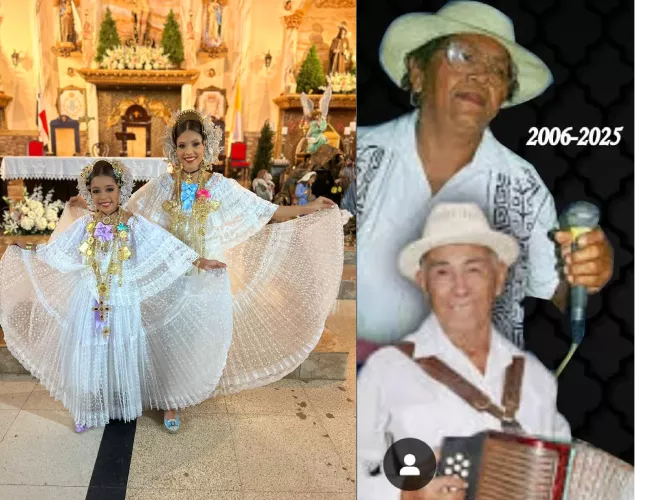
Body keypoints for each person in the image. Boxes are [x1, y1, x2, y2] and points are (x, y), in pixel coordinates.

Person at [356, 1, 614, 357]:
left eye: (499, 70)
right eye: (464, 55)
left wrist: (586, 274)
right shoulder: (359, 153)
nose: (482, 76)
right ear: (417, 71)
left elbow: (559, 292)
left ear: (503, 96)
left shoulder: (524, 186)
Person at [70, 110, 344, 432]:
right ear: (174, 148)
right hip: (172, 272)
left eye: (195, 143)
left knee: (197, 339)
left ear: (206, 145)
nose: (189, 151)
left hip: (208, 274)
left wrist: (307, 208)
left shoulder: (220, 185)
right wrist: (88, 203)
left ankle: (186, 391)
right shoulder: (161, 186)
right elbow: (127, 211)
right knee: (171, 340)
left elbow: (264, 211)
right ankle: (170, 400)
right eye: (182, 144)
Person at [0, 159, 230, 433]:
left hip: (122, 296)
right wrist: (30, 252)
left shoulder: (134, 224)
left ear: (121, 189)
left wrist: (200, 261)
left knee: (120, 346)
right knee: (89, 349)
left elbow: (164, 246)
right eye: (96, 191)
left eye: (109, 189)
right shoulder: (85, 225)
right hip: (89, 298)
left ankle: (120, 404)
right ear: (88, 193)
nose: (103, 197)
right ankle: (88, 408)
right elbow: (59, 250)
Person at [357, 202, 572, 500]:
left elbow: (566, 481)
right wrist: (406, 494)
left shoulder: (537, 380)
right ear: (423, 282)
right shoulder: (386, 369)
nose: (460, 288)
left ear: (499, 278)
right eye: (443, 272)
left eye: (473, 269)